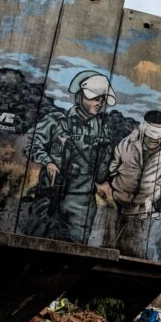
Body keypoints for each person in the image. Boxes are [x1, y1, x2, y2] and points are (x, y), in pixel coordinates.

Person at [23, 70, 115, 243]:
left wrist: (105, 151)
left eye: (101, 100)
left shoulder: (103, 131)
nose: (99, 103)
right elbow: (31, 143)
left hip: (81, 203)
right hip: (50, 196)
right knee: (33, 243)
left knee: (74, 249)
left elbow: (102, 174)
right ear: (80, 97)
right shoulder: (57, 121)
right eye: (95, 98)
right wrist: (47, 161)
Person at [104, 110, 161, 260]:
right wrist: (117, 192)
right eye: (149, 138)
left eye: (156, 140)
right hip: (124, 210)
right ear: (143, 129)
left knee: (146, 256)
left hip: (153, 214)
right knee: (119, 254)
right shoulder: (126, 144)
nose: (152, 143)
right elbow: (113, 168)